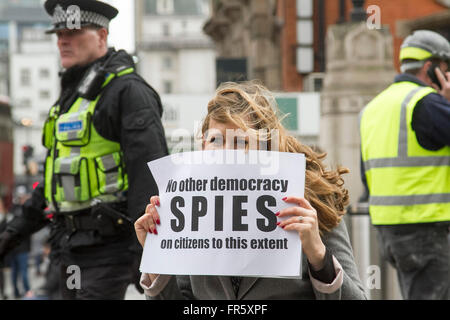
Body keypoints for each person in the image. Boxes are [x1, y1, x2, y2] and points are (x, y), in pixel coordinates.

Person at [134, 81, 366, 300]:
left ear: (266, 148)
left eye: (240, 142)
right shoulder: (189, 207)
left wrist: (318, 256)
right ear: (202, 146)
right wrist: (156, 261)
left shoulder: (309, 202)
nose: (225, 152)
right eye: (215, 139)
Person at [0, 0, 168, 300]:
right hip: (71, 248)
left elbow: (150, 177)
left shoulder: (128, 92)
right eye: (59, 34)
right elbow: (50, 182)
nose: (63, 40)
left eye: (73, 33)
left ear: (102, 36)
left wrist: (149, 253)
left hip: (110, 249)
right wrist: (11, 234)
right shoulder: (72, 99)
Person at [360, 30, 450, 300]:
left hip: (389, 230)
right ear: (430, 68)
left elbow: (367, 178)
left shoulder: (373, 108)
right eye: (446, 70)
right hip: (426, 227)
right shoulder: (426, 103)